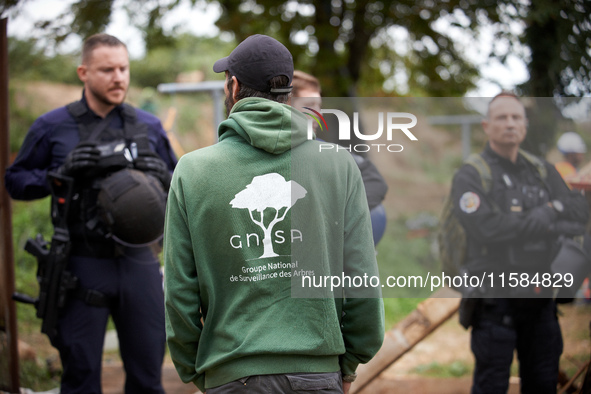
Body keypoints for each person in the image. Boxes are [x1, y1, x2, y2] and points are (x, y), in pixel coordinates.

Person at [163, 34, 384, 394]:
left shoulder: (192, 171)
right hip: (318, 375)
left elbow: (179, 291)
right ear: (287, 89)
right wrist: (347, 363)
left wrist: (197, 369)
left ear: (233, 86)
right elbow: (361, 276)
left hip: (231, 373)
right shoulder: (339, 164)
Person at [5, 33, 177, 394]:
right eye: (107, 70)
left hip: (140, 262)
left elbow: (180, 183)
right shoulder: (53, 126)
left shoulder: (148, 125)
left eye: (124, 68)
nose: (119, 78)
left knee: (149, 377)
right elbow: (15, 181)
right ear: (83, 72)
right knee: (81, 380)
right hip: (81, 264)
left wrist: (163, 175)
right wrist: (60, 174)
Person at [451, 92, 589, 394]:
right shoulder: (472, 175)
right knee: (491, 386)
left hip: (540, 303)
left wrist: (550, 210)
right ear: (487, 126)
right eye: (502, 117)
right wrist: (544, 221)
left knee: (542, 384)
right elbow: (486, 229)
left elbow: (579, 214)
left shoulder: (541, 170)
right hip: (494, 306)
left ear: (525, 126)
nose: (510, 124)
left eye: (516, 117)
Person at [290, 70, 389, 246]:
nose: (317, 113)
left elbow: (375, 180)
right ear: (287, 105)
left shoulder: (325, 150)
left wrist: (341, 215)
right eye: (309, 104)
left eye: (319, 105)